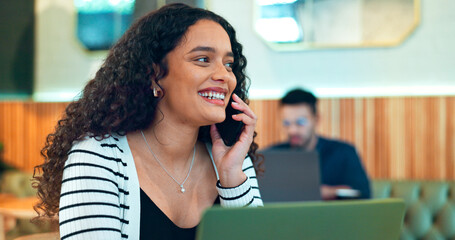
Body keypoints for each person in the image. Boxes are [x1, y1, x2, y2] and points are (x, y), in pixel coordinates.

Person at [33, 4, 263, 240]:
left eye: (228, 64)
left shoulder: (231, 158)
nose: (224, 76)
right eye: (203, 59)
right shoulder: (98, 156)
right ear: (154, 75)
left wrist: (232, 179)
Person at [268, 88, 370, 200]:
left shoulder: (344, 153)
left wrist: (328, 192)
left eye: (300, 122)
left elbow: (363, 194)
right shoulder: (270, 156)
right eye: (286, 123)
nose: (292, 130)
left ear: (316, 119)